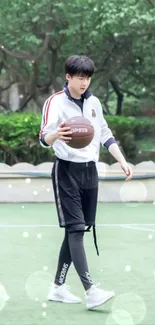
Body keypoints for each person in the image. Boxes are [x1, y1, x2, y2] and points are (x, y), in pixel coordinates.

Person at [39, 55, 133, 309]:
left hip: (90, 172)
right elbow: (42, 138)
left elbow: (104, 133)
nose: (84, 82)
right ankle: (91, 290)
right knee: (76, 230)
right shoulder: (55, 102)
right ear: (68, 77)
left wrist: (121, 160)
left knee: (78, 228)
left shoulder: (94, 102)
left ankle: (57, 287)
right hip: (66, 171)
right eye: (79, 77)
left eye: (88, 77)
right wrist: (55, 134)